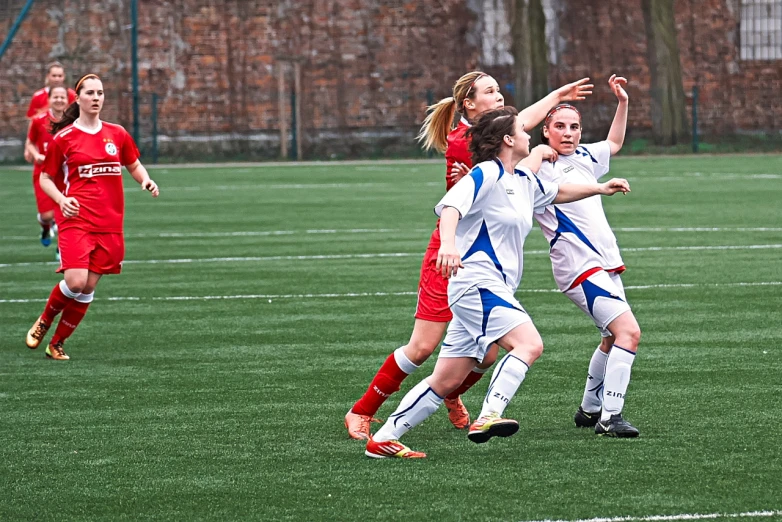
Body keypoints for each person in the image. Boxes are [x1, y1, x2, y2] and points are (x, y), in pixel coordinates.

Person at [364, 106, 630, 458]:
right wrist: (447, 244)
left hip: (489, 288)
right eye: (522, 129)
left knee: (445, 381)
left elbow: (559, 192)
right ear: (508, 139)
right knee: (529, 344)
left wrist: (601, 188)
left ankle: (383, 438)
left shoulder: (522, 180)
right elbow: (450, 208)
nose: (528, 134)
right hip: (476, 283)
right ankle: (489, 414)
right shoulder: (486, 173)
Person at [24, 73, 160, 361]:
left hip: (110, 223)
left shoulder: (118, 133)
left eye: (100, 93)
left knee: (87, 287)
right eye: (90, 93)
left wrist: (146, 180)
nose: (96, 98)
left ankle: (56, 343)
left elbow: (133, 164)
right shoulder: (64, 138)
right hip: (76, 219)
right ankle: (45, 320)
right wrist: (62, 200)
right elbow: (47, 179)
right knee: (75, 282)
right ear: (78, 98)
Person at [534, 75, 641, 437]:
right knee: (629, 332)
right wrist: (599, 186)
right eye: (559, 126)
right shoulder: (538, 168)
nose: (568, 133)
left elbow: (613, 142)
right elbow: (560, 192)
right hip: (578, 266)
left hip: (604, 263)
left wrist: (622, 103)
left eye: (575, 127)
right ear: (545, 131)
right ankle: (611, 417)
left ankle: (589, 409)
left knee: (612, 338)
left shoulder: (583, 154)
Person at [26, 85, 68, 257]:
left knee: (65, 211)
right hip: (43, 173)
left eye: (62, 97)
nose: (59, 100)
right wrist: (36, 155)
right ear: (49, 99)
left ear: (67, 100)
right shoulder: (39, 120)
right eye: (55, 97)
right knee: (47, 215)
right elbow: (30, 142)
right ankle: (45, 226)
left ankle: (62, 248)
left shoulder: (73, 121)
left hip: (64, 173)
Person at [24, 62, 77, 163]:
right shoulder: (38, 96)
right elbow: (33, 122)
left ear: (64, 77)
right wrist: (28, 147)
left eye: (60, 76)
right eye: (54, 76)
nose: (57, 79)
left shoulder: (72, 95)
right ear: (48, 76)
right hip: (44, 139)